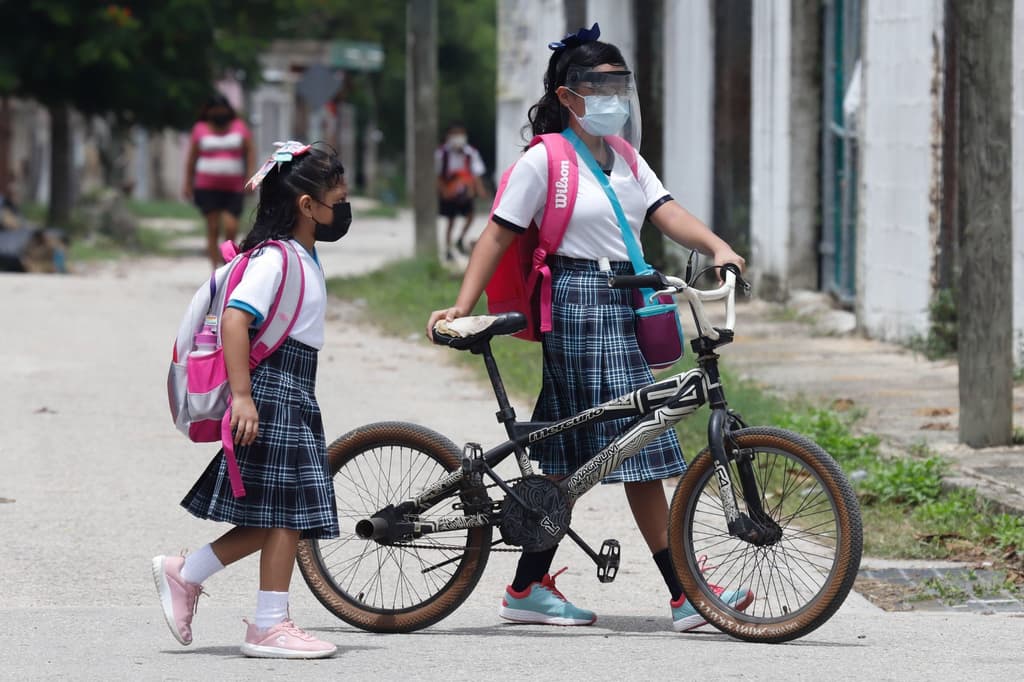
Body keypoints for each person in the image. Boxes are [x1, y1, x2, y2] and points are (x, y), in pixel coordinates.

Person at [426, 24, 752, 632]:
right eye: (599, 87)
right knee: (639, 439)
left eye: (620, 86)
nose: (614, 99)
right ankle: (688, 595)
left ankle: (527, 586)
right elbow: (498, 231)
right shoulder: (545, 159)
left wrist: (716, 246)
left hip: (628, 296)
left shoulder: (626, 157)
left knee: (569, 451)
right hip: (578, 300)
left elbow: (664, 210)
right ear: (567, 95)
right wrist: (459, 305)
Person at [153, 141, 352, 659]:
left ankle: (186, 573)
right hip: (274, 390)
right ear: (308, 206)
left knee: (278, 513)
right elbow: (238, 320)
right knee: (286, 512)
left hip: (293, 389)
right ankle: (268, 625)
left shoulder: (300, 255)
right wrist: (242, 397)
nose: (343, 211)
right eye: (338, 200)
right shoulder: (276, 258)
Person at [184, 94, 256, 269]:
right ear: (208, 112)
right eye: (215, 110)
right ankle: (214, 268)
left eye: (222, 109)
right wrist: (187, 183)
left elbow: (250, 152)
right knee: (213, 227)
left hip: (234, 187)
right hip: (206, 187)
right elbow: (192, 158)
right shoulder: (200, 128)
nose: (219, 113)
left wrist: (251, 177)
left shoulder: (239, 127)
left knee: (231, 227)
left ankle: (228, 263)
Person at [435, 123, 488, 260]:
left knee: (470, 216)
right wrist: (443, 191)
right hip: (449, 190)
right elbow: (437, 175)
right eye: (455, 133)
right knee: (450, 220)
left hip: (465, 190)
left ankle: (460, 239)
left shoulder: (470, 153)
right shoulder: (442, 154)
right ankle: (447, 249)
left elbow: (476, 173)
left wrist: (480, 190)